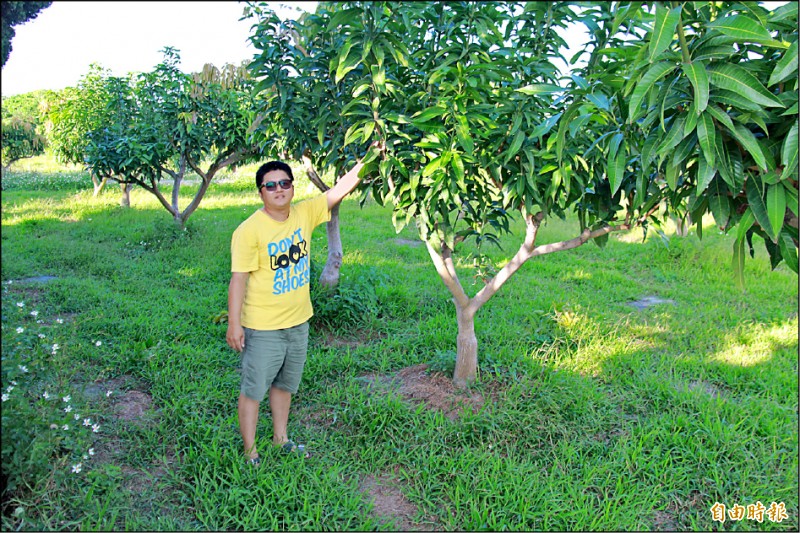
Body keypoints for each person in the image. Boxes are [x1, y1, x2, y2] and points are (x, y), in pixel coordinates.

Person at [226, 150, 374, 465]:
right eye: (271, 185)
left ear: (293, 187)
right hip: (263, 326)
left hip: (299, 323)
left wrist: (370, 159)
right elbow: (238, 280)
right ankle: (250, 452)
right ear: (260, 192)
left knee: (285, 384)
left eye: (284, 183)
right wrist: (234, 324)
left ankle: (281, 439)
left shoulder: (304, 213)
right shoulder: (248, 231)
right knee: (254, 389)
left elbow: (340, 189)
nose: (279, 189)